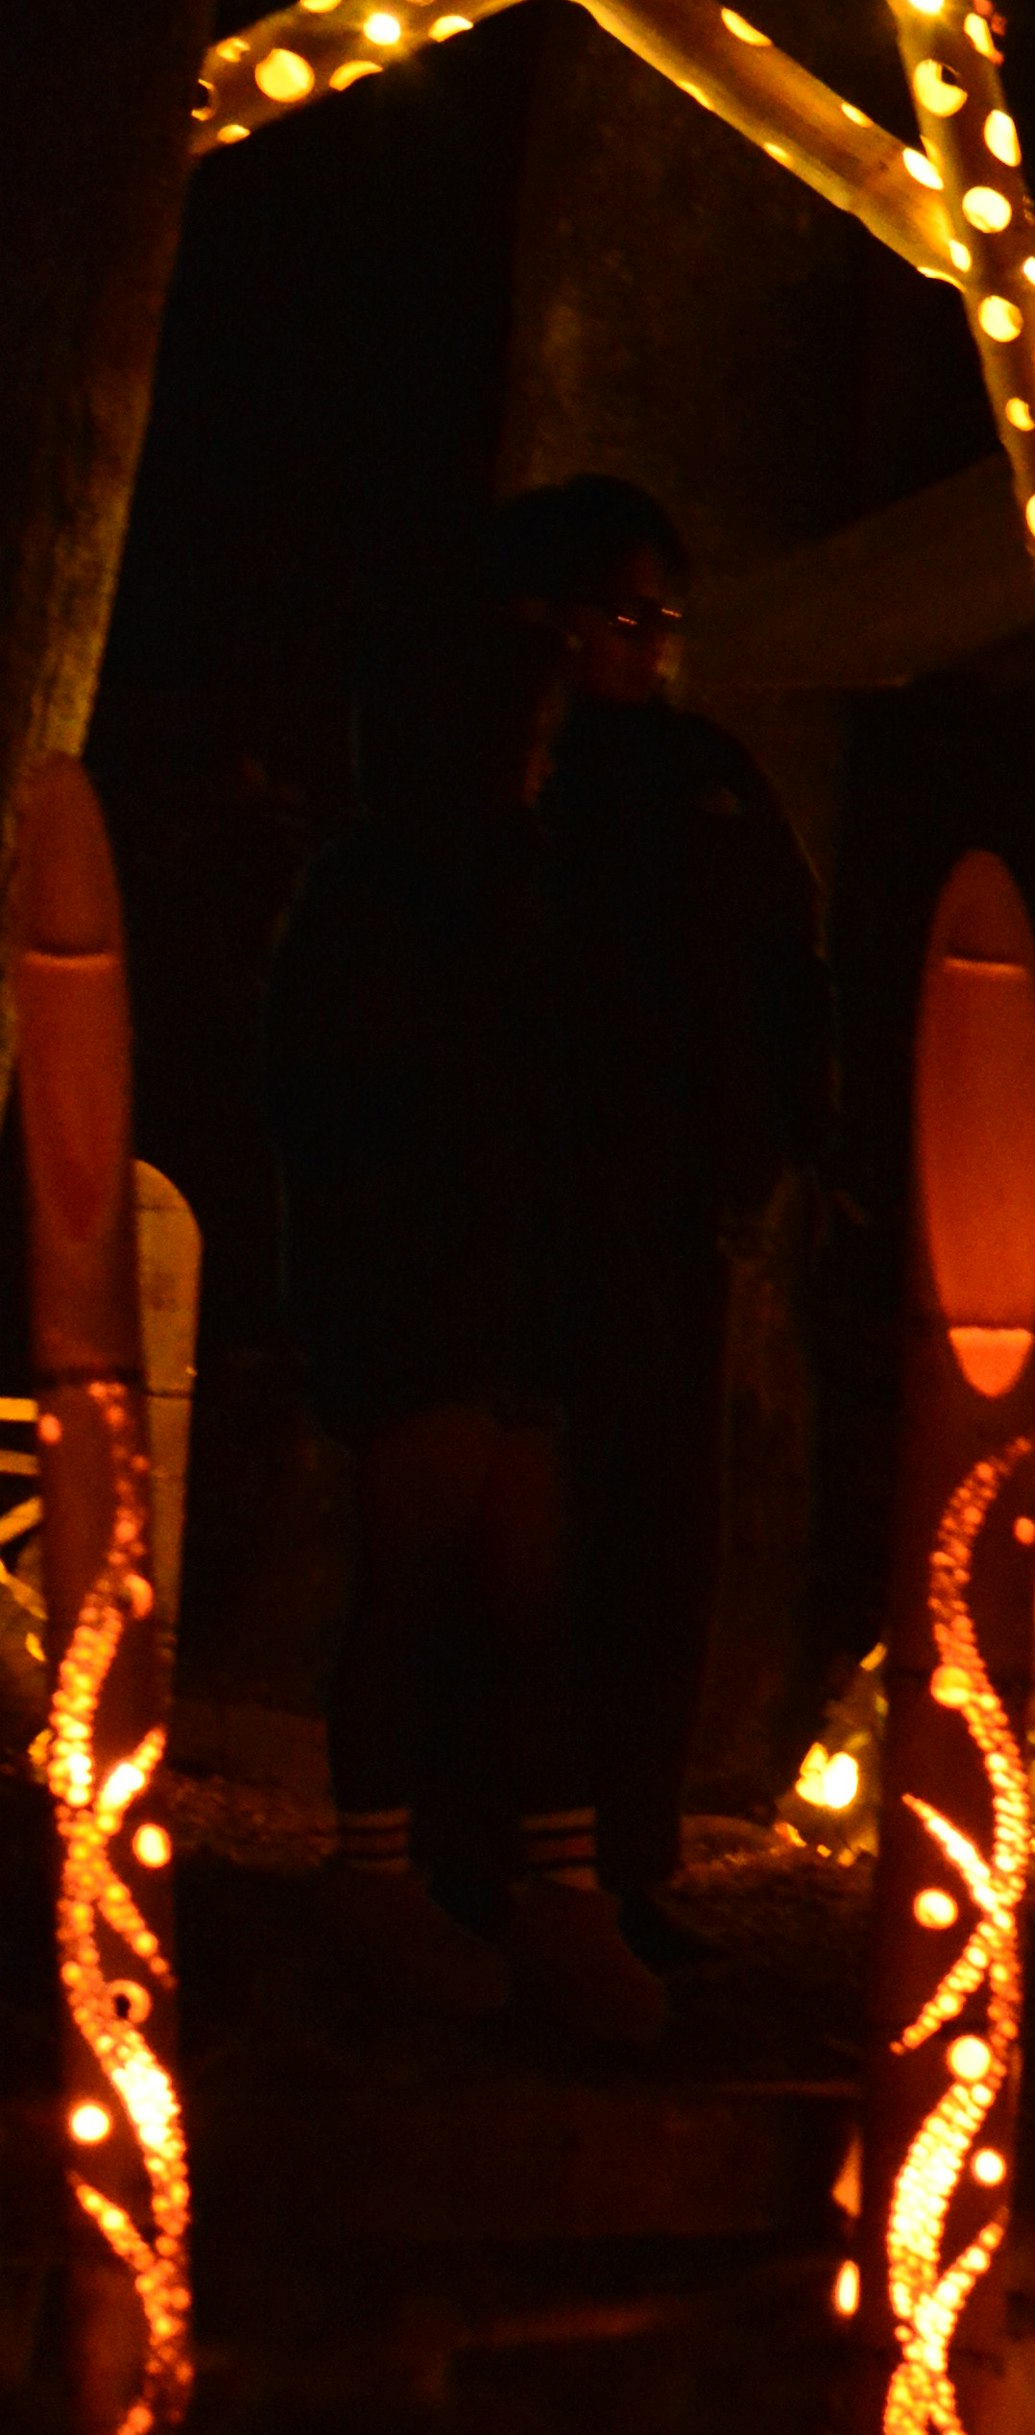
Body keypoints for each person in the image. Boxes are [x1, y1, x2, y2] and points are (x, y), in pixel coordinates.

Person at [261, 597, 666, 2048]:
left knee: (526, 1596)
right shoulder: (388, 897)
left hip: (503, 1289)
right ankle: (375, 1877)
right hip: (425, 1293)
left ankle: (559, 1891)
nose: (549, 762)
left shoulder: (520, 888)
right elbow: (361, 1108)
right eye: (533, 736)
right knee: (420, 1574)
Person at [486, 479, 828, 1968]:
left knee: (664, 1540)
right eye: (628, 620)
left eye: (665, 624)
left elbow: (786, 967)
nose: (651, 651)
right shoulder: (520, 789)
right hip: (548, 1213)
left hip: (692, 1216)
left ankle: (629, 1857)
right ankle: (502, 1856)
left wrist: (791, 1145)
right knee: (539, 1543)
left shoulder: (707, 776)